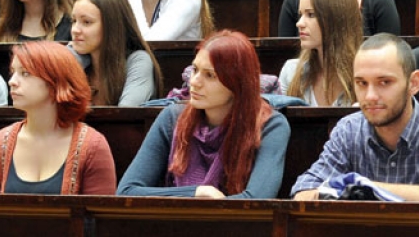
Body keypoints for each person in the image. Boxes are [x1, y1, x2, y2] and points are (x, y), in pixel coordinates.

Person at [291, 33, 419, 202]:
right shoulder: (348, 129)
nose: (370, 96)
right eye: (362, 83)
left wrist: (363, 188)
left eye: (384, 82)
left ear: (414, 83)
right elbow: (303, 191)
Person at [118, 31, 290, 198]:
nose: (194, 82)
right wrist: (196, 193)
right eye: (195, 70)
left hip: (238, 227)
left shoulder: (270, 125)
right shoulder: (172, 117)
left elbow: (256, 200)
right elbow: (127, 191)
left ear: (237, 83)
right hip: (171, 226)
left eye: (210, 75)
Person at [0, 42, 116, 194]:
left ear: (55, 81)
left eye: (25, 73)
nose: (12, 81)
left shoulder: (93, 146)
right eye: (13, 72)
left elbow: (99, 215)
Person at [70, 0, 163, 106]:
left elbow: (125, 114)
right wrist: (71, 62)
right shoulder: (72, 54)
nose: (75, 30)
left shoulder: (138, 60)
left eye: (87, 22)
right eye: (73, 21)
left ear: (112, 26)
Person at [280, 0, 362, 106]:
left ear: (337, 20)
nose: (299, 23)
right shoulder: (291, 71)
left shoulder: (364, 74)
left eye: (311, 15)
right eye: (300, 14)